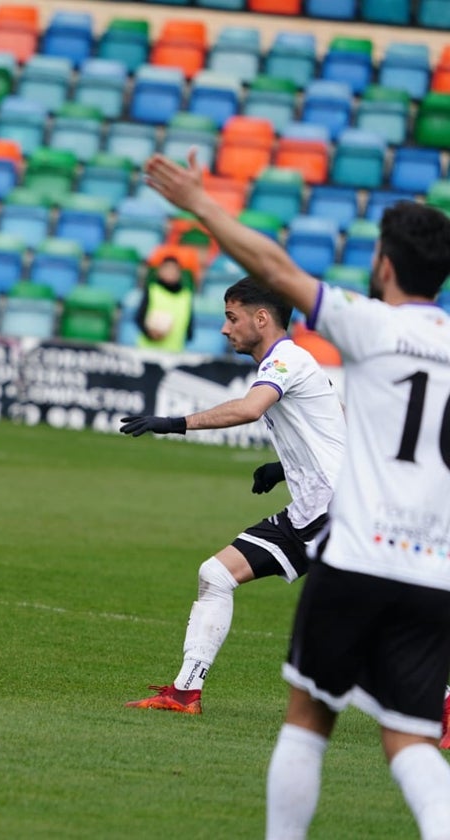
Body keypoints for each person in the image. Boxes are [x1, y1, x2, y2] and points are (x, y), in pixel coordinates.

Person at [146, 149, 450, 838]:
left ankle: (192, 697)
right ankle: (185, 690)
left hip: (354, 540)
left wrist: (200, 205)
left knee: (308, 724)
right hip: (431, 560)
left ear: (385, 267)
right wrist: (286, 470)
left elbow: (277, 271)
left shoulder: (368, 325)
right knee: (409, 742)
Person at [120, 277, 346, 714]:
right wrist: (285, 468)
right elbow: (338, 428)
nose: (226, 329)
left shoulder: (286, 360)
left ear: (261, 319)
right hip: (311, 510)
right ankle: (185, 693)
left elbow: (248, 408)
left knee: (356, 628)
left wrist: (174, 423)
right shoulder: (294, 363)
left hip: (334, 513)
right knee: (216, 574)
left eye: (231, 317)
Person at [135, 256, 194, 352]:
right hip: (147, 351)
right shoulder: (152, 291)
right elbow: (139, 318)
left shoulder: (186, 296)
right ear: (159, 271)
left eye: (174, 269)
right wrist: (150, 333)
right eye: (167, 268)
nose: (170, 272)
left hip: (174, 353)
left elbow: (190, 327)